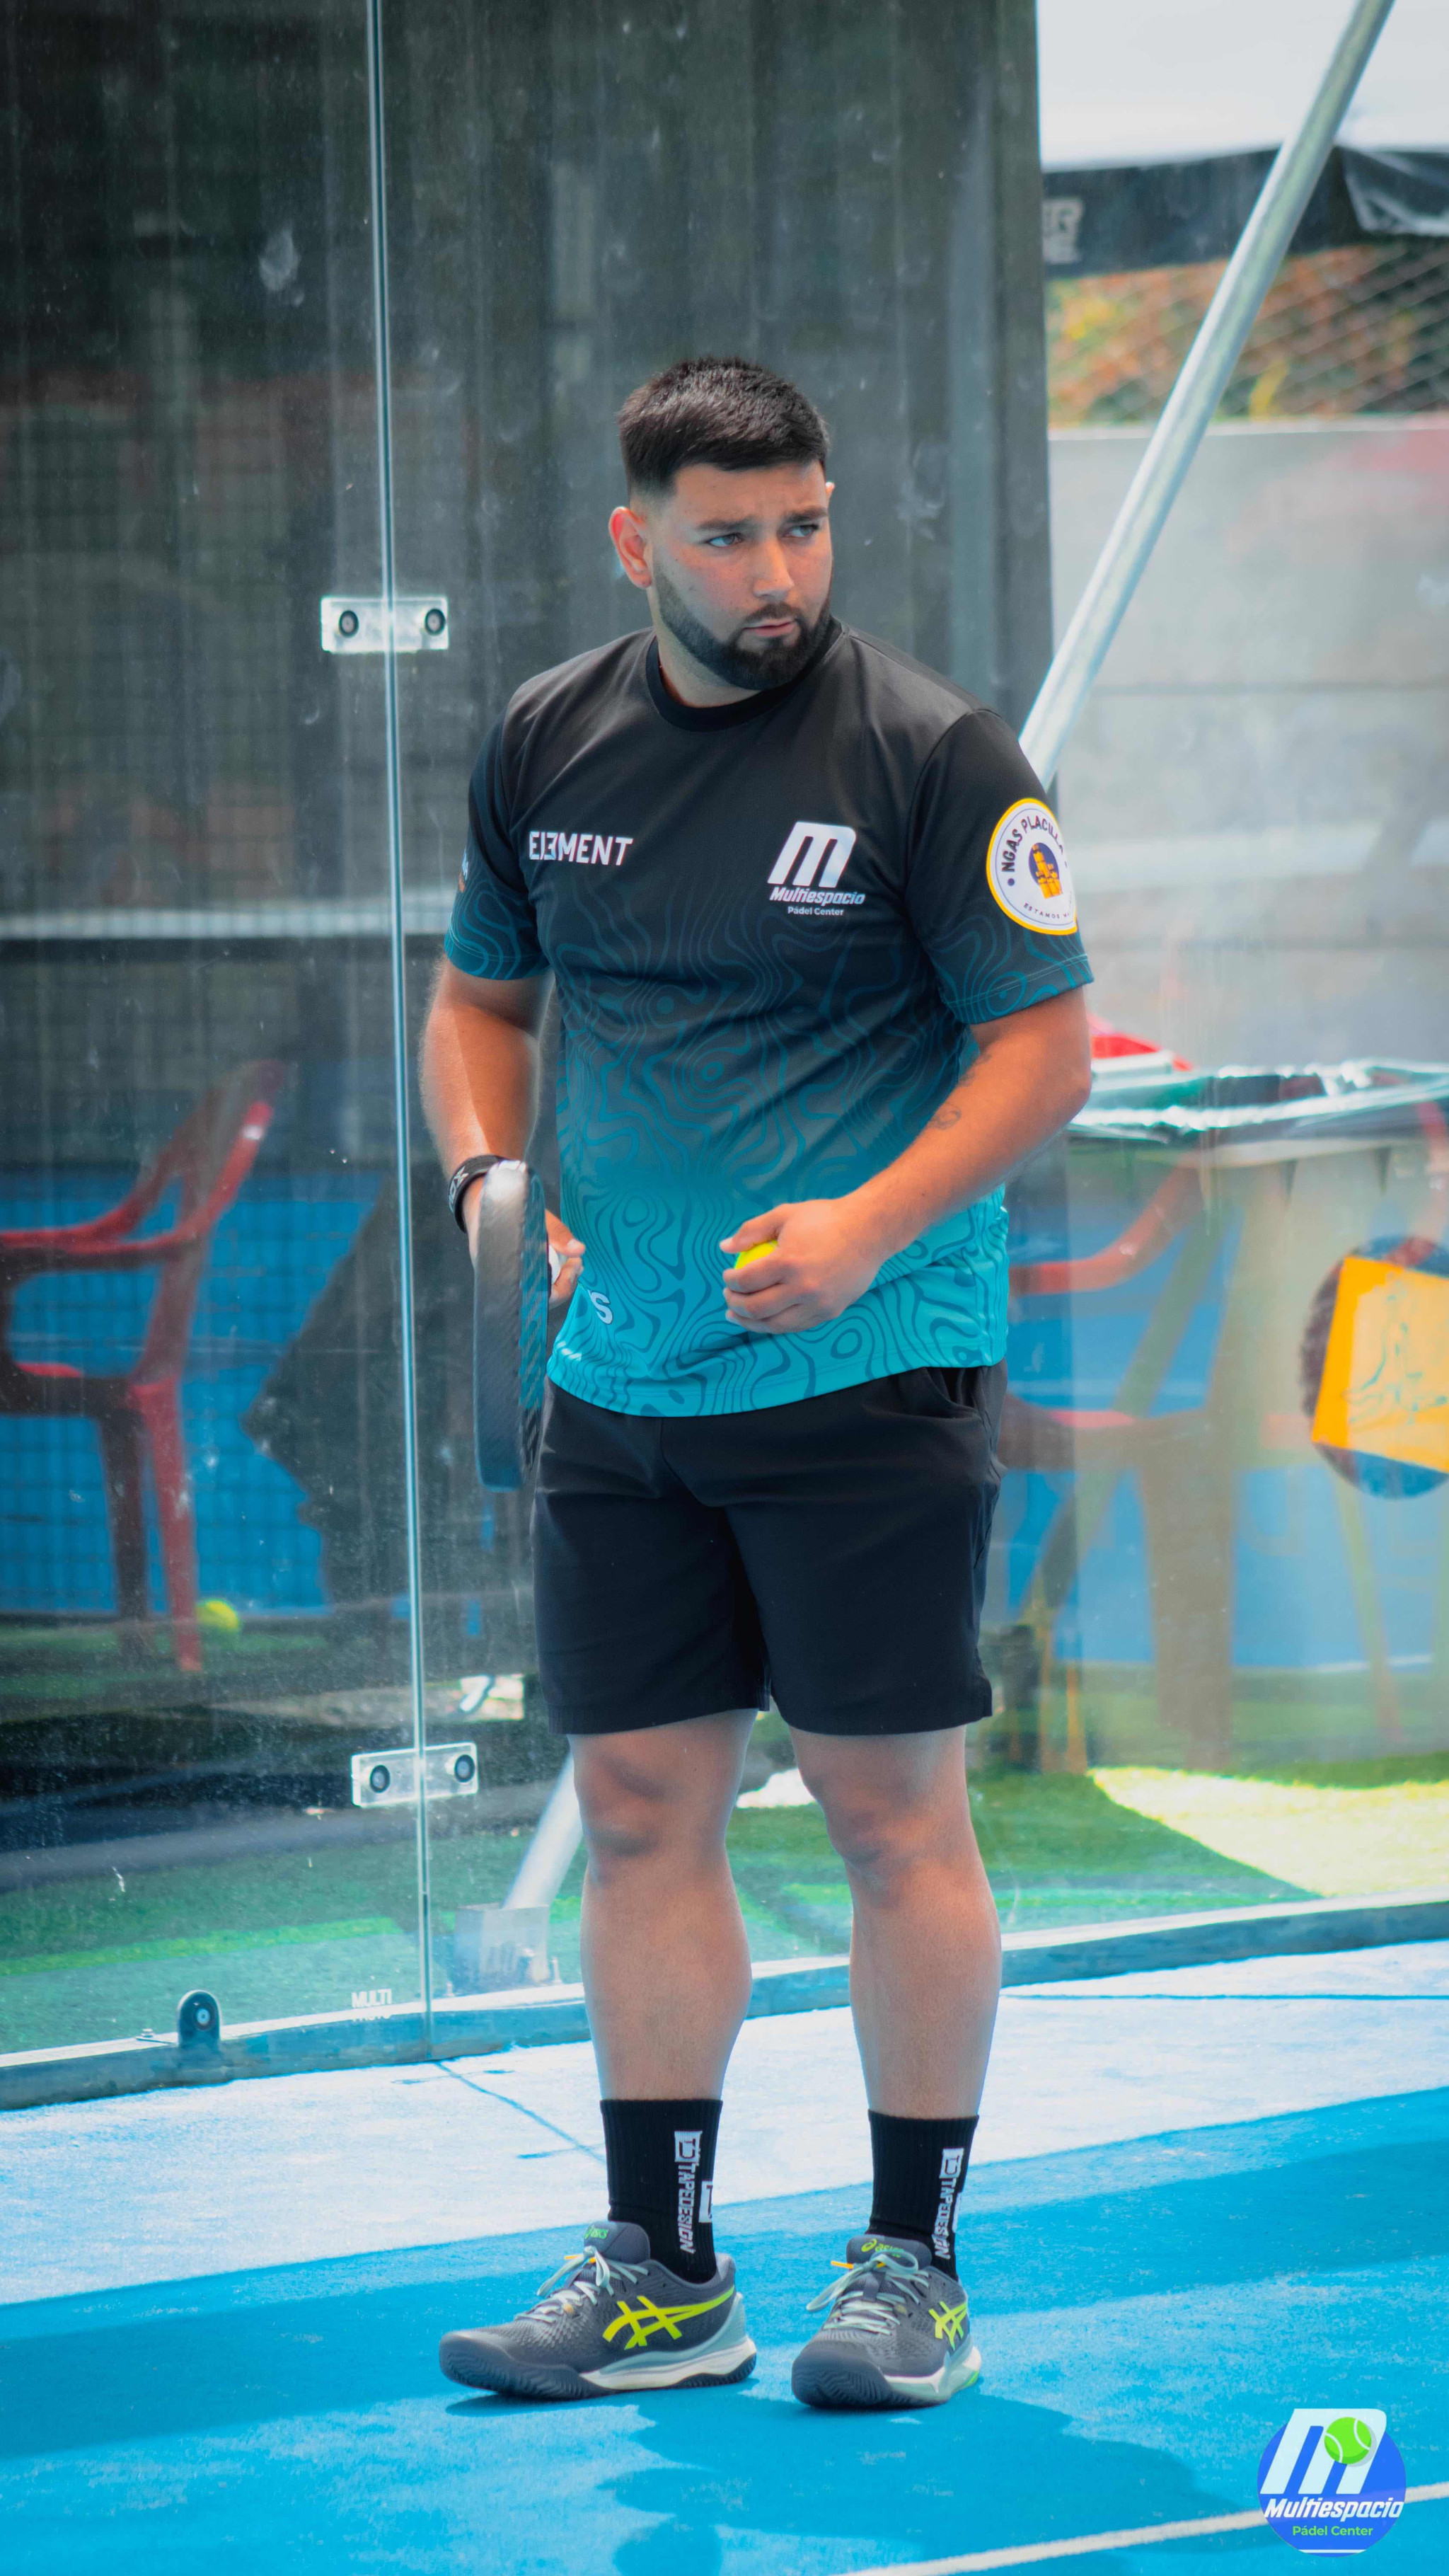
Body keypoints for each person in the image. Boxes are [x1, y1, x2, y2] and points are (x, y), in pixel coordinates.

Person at [422, 355, 1092, 2410]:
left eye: (802, 524)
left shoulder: (935, 755)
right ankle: (664, 2271)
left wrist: (870, 1226)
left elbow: (1044, 1053)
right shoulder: (546, 739)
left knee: (892, 1818)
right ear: (639, 543)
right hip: (620, 1385)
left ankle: (915, 2268)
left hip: (870, 1373)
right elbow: (478, 1006)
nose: (776, 569)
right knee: (640, 1811)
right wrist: (493, 1181)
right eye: (728, 536)